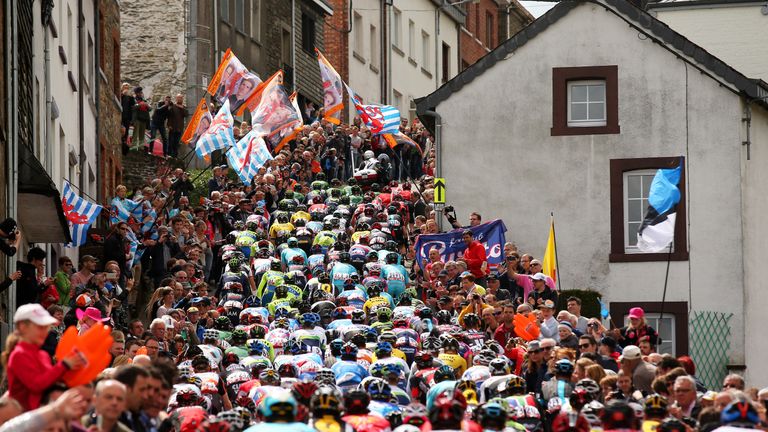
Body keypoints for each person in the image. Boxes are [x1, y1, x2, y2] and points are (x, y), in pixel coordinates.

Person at [6, 303, 86, 410]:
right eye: (40, 327)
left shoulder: (43, 355)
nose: (45, 331)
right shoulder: (19, 354)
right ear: (22, 327)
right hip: (22, 418)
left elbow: (51, 381)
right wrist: (65, 365)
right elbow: (36, 385)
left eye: (46, 327)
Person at [113, 365, 152, 432]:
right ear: (126, 389)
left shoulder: (137, 417)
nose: (146, 396)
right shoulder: (109, 422)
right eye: (141, 390)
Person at [167, 93, 188, 158]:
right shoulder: (173, 106)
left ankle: (175, 156)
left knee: (177, 143)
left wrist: (182, 108)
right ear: (176, 99)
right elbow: (169, 116)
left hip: (179, 128)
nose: (180, 99)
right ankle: (169, 155)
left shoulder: (183, 107)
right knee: (171, 142)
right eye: (178, 98)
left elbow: (186, 114)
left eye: (181, 98)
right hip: (173, 127)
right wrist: (169, 125)